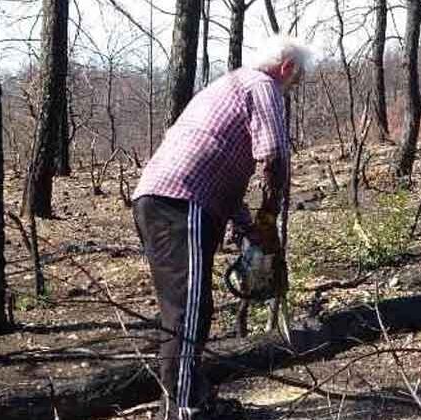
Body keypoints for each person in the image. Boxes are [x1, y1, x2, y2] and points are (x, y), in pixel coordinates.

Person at [131, 35, 313, 420]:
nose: (291, 89)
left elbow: (218, 171)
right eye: (294, 82)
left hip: (167, 198)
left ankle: (193, 398)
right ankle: (181, 410)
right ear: (286, 69)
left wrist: (248, 226)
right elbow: (275, 155)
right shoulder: (262, 87)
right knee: (187, 311)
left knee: (194, 306)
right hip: (180, 202)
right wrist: (270, 212)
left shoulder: (229, 87)